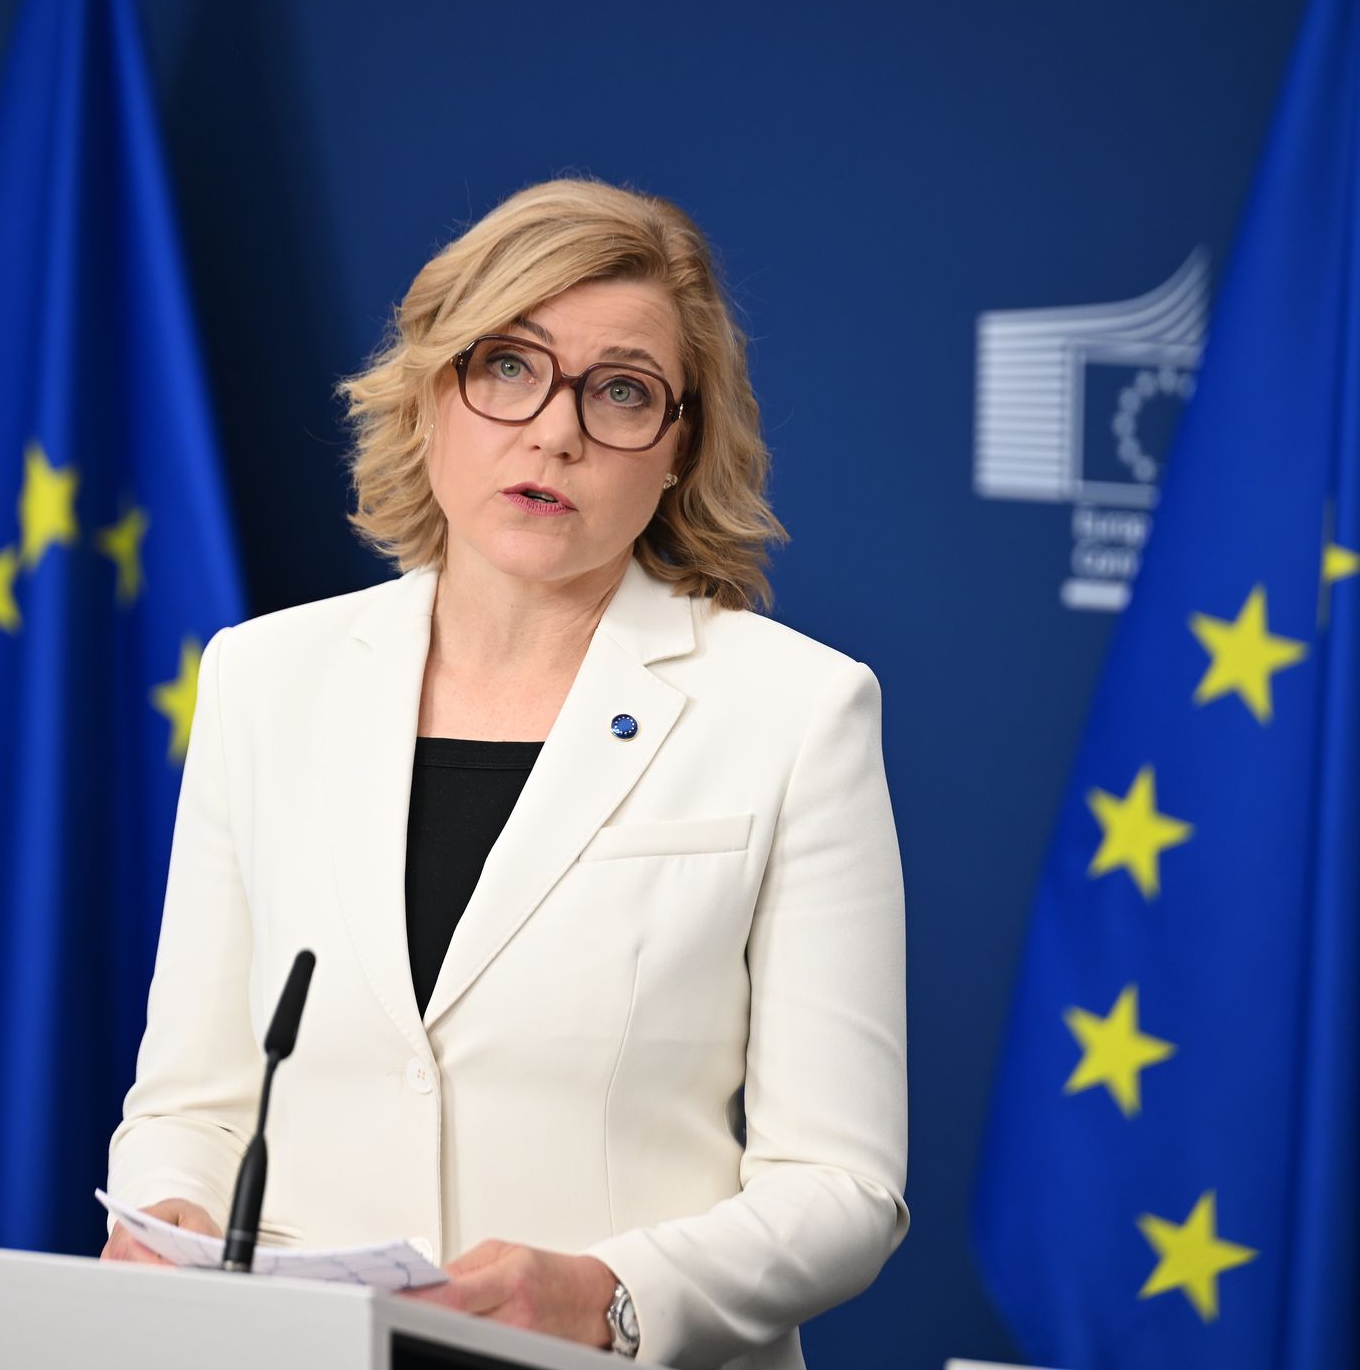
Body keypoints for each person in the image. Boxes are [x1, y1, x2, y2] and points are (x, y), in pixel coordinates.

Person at [102, 178, 908, 1370]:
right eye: (507, 366)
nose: (556, 431)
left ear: (680, 448)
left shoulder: (793, 711)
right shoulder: (265, 678)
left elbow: (843, 1187)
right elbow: (192, 1102)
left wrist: (610, 1295)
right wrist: (166, 1216)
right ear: (432, 392)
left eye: (622, 391)